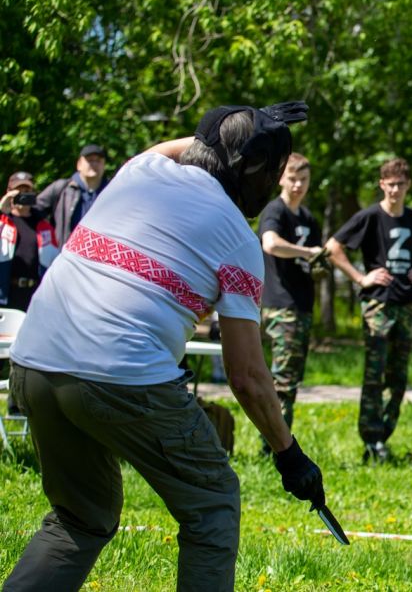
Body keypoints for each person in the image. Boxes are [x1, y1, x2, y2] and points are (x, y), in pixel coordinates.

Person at [4, 101, 327, 591]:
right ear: (257, 170)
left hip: (33, 363)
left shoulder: (140, 171)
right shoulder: (238, 241)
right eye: (275, 168)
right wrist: (289, 454)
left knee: (82, 515)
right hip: (120, 375)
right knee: (212, 504)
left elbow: (187, 147)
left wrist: (235, 123)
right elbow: (247, 376)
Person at [325, 158, 412, 463]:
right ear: (381, 184)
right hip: (378, 303)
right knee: (375, 374)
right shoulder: (370, 216)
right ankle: (371, 440)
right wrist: (361, 277)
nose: (395, 190)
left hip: (405, 302)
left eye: (401, 184)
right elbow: (333, 248)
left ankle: (385, 435)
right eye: (390, 184)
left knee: (397, 376)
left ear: (408, 186)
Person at [257, 152, 323, 453]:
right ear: (282, 178)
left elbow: (315, 264)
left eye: (303, 179)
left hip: (302, 304)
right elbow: (270, 243)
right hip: (279, 304)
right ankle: (273, 446)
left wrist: (319, 261)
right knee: (281, 380)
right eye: (293, 178)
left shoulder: (308, 219)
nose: (298, 185)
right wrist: (307, 252)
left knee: (292, 379)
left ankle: (279, 442)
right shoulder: (276, 210)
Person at [0, 172, 60, 311]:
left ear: (34, 194)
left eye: (27, 191)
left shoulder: (44, 226)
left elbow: (53, 262)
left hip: (35, 296)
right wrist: (1, 211)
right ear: (9, 193)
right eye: (18, 191)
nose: (22, 195)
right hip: (5, 295)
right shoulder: (3, 221)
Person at [35, 144, 110, 247]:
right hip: (66, 256)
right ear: (79, 164)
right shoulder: (62, 188)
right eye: (90, 160)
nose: (94, 164)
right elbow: (33, 211)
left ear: (104, 165)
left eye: (98, 161)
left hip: (100, 257)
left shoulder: (112, 192)